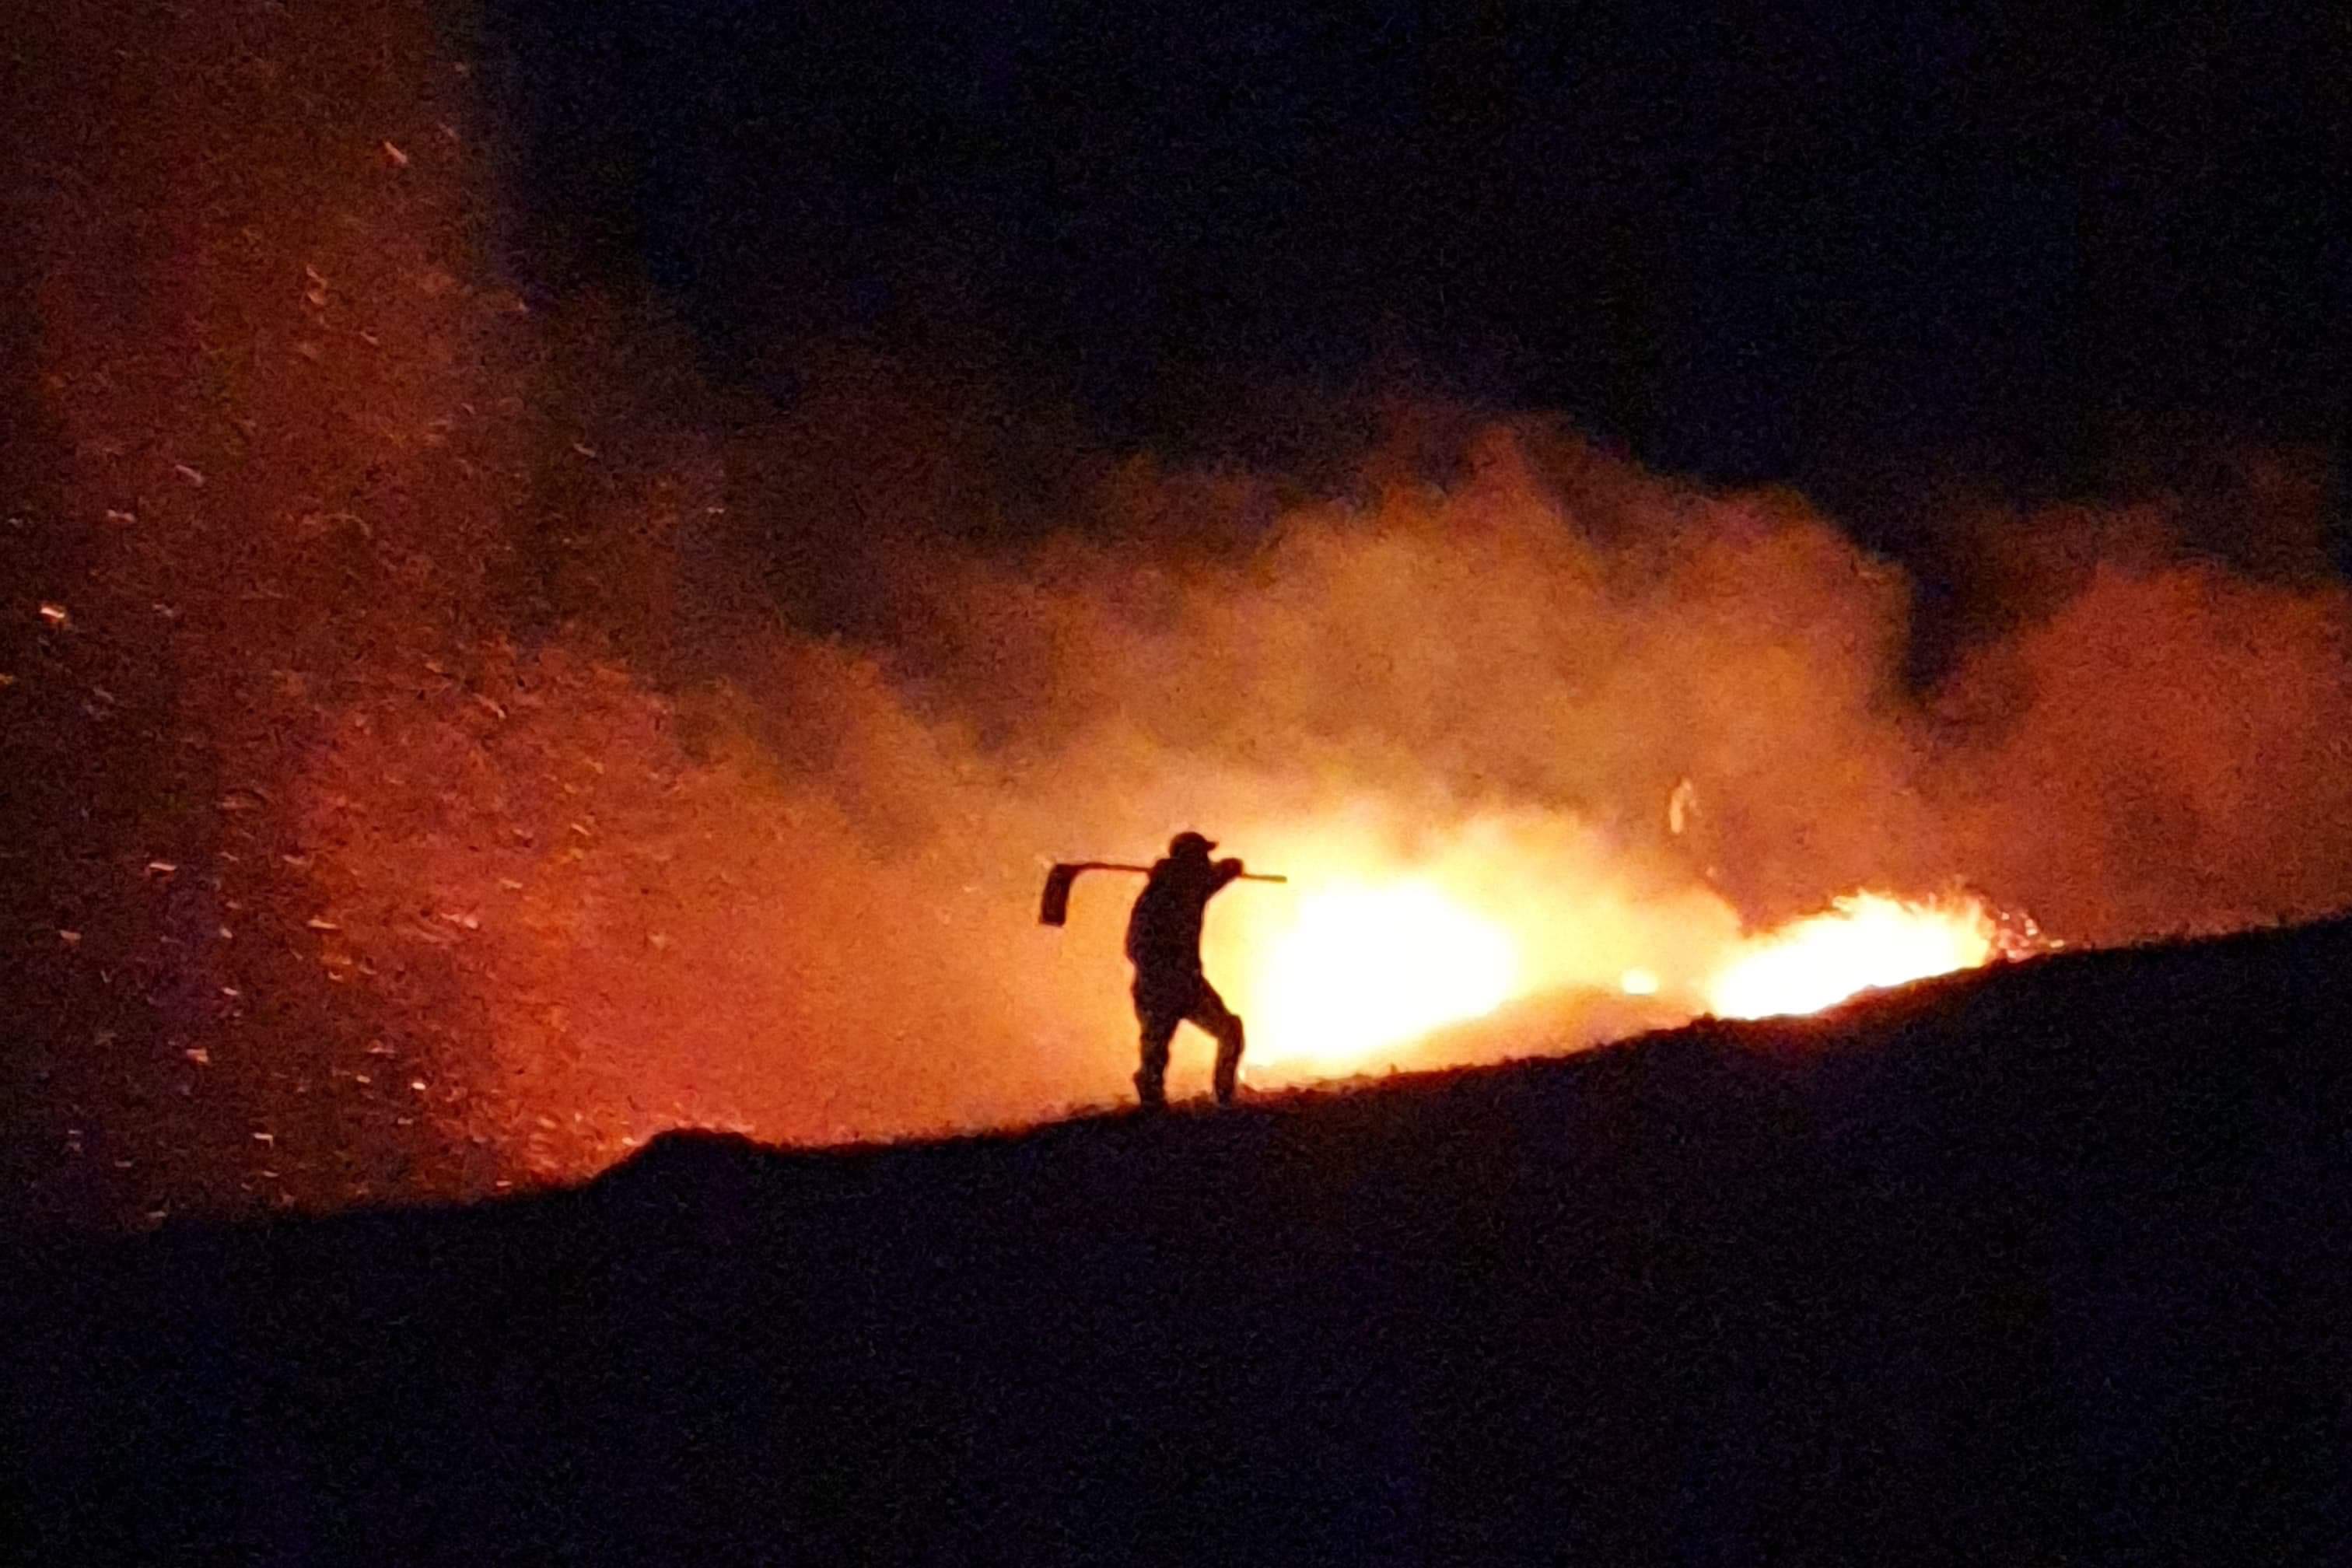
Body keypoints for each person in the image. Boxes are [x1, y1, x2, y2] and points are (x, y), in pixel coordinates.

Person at [1124, 831, 1248, 1108]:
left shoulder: (1174, 887)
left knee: (1157, 1052)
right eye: (1202, 855)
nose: (1207, 860)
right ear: (1191, 859)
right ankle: (1219, 1100)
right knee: (1159, 1053)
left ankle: (1219, 1098)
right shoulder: (1182, 886)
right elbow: (1230, 867)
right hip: (1172, 984)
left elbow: (1224, 870)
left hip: (1168, 983)